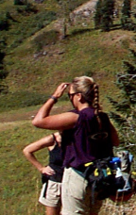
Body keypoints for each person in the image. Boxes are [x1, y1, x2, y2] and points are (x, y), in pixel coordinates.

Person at [32, 76, 119, 215]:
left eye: (69, 95)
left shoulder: (76, 117)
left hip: (77, 176)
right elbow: (116, 142)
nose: (70, 99)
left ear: (79, 96)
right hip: (99, 177)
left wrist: (54, 97)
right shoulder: (102, 117)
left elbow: (38, 121)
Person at [23, 132, 64, 215]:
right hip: (55, 183)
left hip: (72, 181)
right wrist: (41, 168)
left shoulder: (76, 138)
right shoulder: (52, 139)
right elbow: (27, 151)